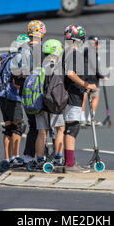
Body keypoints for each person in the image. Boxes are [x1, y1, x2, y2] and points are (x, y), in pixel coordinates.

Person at [63, 25, 97, 172]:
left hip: (67, 95)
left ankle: (67, 161)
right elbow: (70, 73)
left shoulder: (66, 52)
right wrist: (85, 84)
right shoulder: (73, 53)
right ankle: (69, 164)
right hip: (72, 96)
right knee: (72, 128)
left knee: (68, 128)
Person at [0, 34, 31, 170]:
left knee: (8, 129)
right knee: (18, 127)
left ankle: (7, 158)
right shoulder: (20, 59)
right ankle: (15, 157)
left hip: (2, 96)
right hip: (13, 97)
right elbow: (17, 83)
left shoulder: (8, 55)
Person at [30, 39, 66, 171]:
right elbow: (57, 89)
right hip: (52, 103)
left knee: (41, 132)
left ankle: (40, 160)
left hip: (38, 103)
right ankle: (58, 158)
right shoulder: (55, 67)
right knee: (60, 129)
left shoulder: (39, 67)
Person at [22, 20, 47, 164]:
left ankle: (28, 155)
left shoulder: (22, 49)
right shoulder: (44, 50)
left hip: (25, 92)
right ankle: (40, 155)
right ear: (42, 33)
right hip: (39, 92)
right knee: (42, 126)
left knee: (32, 124)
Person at [81, 35, 106, 126]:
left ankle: (82, 118)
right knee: (95, 97)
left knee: (83, 97)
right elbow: (95, 67)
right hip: (92, 79)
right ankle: (90, 118)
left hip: (83, 77)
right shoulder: (92, 52)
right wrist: (102, 76)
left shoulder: (84, 51)